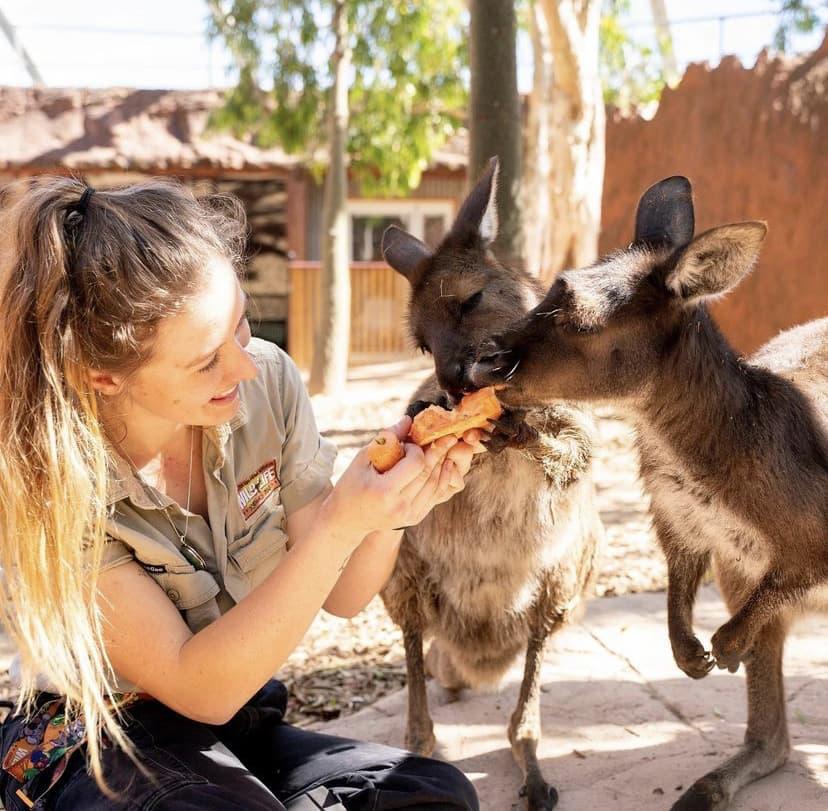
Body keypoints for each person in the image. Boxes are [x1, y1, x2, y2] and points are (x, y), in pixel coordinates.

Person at [0, 176, 485, 810]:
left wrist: (395, 507)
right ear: (103, 375)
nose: (245, 365)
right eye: (206, 361)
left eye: (240, 325)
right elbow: (197, 685)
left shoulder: (266, 383)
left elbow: (345, 592)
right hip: (97, 737)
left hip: (230, 728)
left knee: (428, 794)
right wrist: (342, 522)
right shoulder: (49, 477)